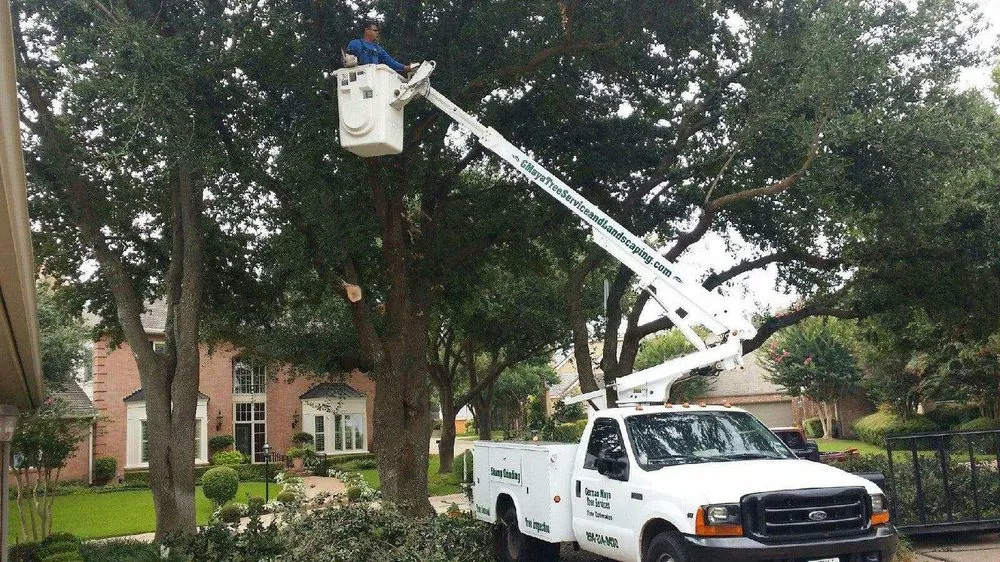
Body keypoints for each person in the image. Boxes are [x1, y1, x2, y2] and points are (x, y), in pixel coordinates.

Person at [346, 21, 418, 74]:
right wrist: (348, 61)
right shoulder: (355, 43)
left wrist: (406, 68)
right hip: (358, 77)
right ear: (366, 30)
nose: (377, 33)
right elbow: (345, 59)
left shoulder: (378, 48)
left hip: (374, 78)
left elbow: (390, 62)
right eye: (375, 30)